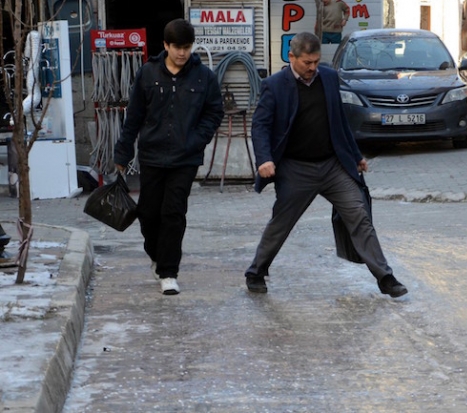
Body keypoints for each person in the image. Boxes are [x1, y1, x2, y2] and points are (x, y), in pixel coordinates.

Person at [245, 32, 408, 298]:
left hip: (333, 166)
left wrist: (355, 156)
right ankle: (256, 272)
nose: (313, 68)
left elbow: (339, 121)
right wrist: (264, 159)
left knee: (359, 214)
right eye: (307, 62)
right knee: (281, 223)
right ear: (292, 57)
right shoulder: (274, 85)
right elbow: (260, 125)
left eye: (316, 61)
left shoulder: (329, 78)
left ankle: (386, 278)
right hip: (296, 169)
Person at [114, 18, 224, 295]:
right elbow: (134, 115)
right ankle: (156, 255)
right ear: (166, 45)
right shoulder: (148, 73)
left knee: (173, 213)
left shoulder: (204, 77)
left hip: (185, 158)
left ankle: (169, 272)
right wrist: (123, 151)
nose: (182, 53)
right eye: (177, 47)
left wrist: (197, 139)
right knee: (148, 213)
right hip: (152, 155)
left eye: (187, 47)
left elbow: (214, 112)